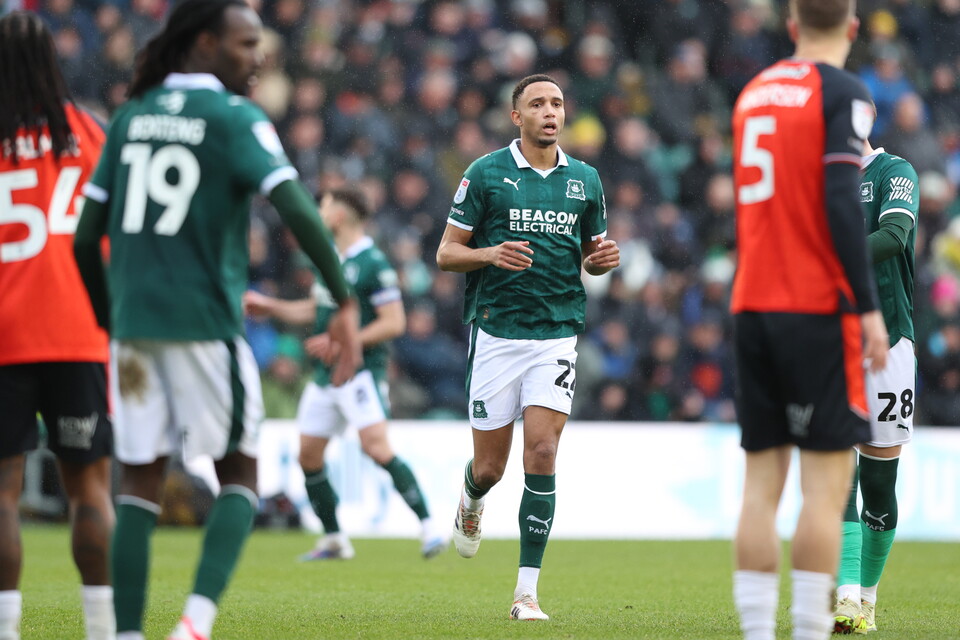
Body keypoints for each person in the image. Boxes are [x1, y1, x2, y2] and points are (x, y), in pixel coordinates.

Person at [72, 1, 361, 639]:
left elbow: (82, 237)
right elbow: (301, 213)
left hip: (134, 328)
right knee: (241, 475)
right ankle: (194, 626)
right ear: (204, 43)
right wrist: (341, 297)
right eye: (245, 43)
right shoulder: (234, 119)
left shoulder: (131, 118)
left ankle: (125, 635)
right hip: (204, 323)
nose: (257, 57)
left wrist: (107, 316)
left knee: (138, 486)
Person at [729, 1, 890, 639]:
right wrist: (868, 306)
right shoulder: (844, 91)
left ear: (792, 27)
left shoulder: (752, 94)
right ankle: (807, 632)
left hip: (752, 303)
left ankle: (759, 633)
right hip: (817, 308)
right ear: (852, 29)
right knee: (825, 490)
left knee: (759, 490)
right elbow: (842, 203)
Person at [436, 73, 620, 621]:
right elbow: (447, 254)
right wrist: (490, 255)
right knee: (491, 468)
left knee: (541, 451)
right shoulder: (486, 173)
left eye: (557, 103)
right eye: (537, 104)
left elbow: (591, 252)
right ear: (516, 116)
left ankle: (526, 592)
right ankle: (471, 499)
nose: (549, 111)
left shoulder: (585, 179)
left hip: (557, 333)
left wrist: (600, 261)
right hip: (496, 332)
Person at [243, 189, 448, 561]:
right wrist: (271, 306)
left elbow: (394, 322)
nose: (319, 210)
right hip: (324, 377)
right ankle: (334, 538)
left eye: (323, 204)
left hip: (360, 374)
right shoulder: (328, 258)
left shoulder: (373, 264)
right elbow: (315, 308)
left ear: (340, 215)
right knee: (308, 456)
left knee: (376, 448)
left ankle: (430, 527)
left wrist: (342, 343)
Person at [0, 12, 115, 640]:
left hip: (5, 338)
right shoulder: (88, 133)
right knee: (89, 489)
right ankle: (103, 630)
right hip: (78, 334)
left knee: (1, 495)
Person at [832, 140, 918, 634]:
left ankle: (867, 597)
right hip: (830, 341)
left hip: (889, 341)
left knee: (878, 485)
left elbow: (893, 235)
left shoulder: (894, 170)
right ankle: (846, 597)